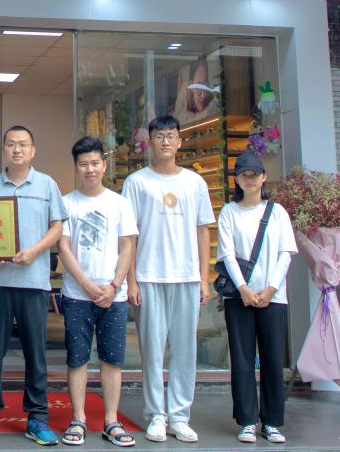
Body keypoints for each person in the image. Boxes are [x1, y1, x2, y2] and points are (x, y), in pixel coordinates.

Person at [0, 126, 67, 446]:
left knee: (36, 354)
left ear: (33, 150)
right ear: (4, 150)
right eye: (11, 144)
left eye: (23, 144)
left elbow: (57, 227)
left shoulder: (47, 185)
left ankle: (37, 418)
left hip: (34, 283)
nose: (17, 149)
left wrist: (35, 251)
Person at [124, 114, 214, 444]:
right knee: (152, 350)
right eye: (159, 136)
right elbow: (129, 235)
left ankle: (179, 415)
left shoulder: (195, 182)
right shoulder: (136, 182)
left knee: (185, 350)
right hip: (149, 276)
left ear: (179, 141)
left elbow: (203, 231)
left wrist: (204, 278)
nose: (165, 141)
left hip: (187, 277)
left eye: (170, 135)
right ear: (149, 142)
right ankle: (156, 415)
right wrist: (131, 280)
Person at [58, 136, 138, 448]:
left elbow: (127, 245)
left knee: (112, 360)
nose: (89, 169)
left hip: (113, 296)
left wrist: (115, 285)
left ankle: (111, 421)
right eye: (83, 164)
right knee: (77, 358)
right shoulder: (67, 202)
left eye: (94, 163)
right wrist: (88, 285)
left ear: (104, 165)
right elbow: (64, 248)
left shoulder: (120, 203)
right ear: (76, 167)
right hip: (77, 295)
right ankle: (78, 419)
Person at [217, 151, 297, 445]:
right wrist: (243, 289)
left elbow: (286, 253)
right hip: (239, 298)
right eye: (244, 175)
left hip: (273, 297)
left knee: (273, 359)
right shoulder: (229, 212)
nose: (249, 180)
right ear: (237, 180)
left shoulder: (278, 212)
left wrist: (271, 288)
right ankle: (248, 420)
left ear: (264, 177)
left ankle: (272, 422)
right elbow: (226, 254)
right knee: (242, 360)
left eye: (254, 175)